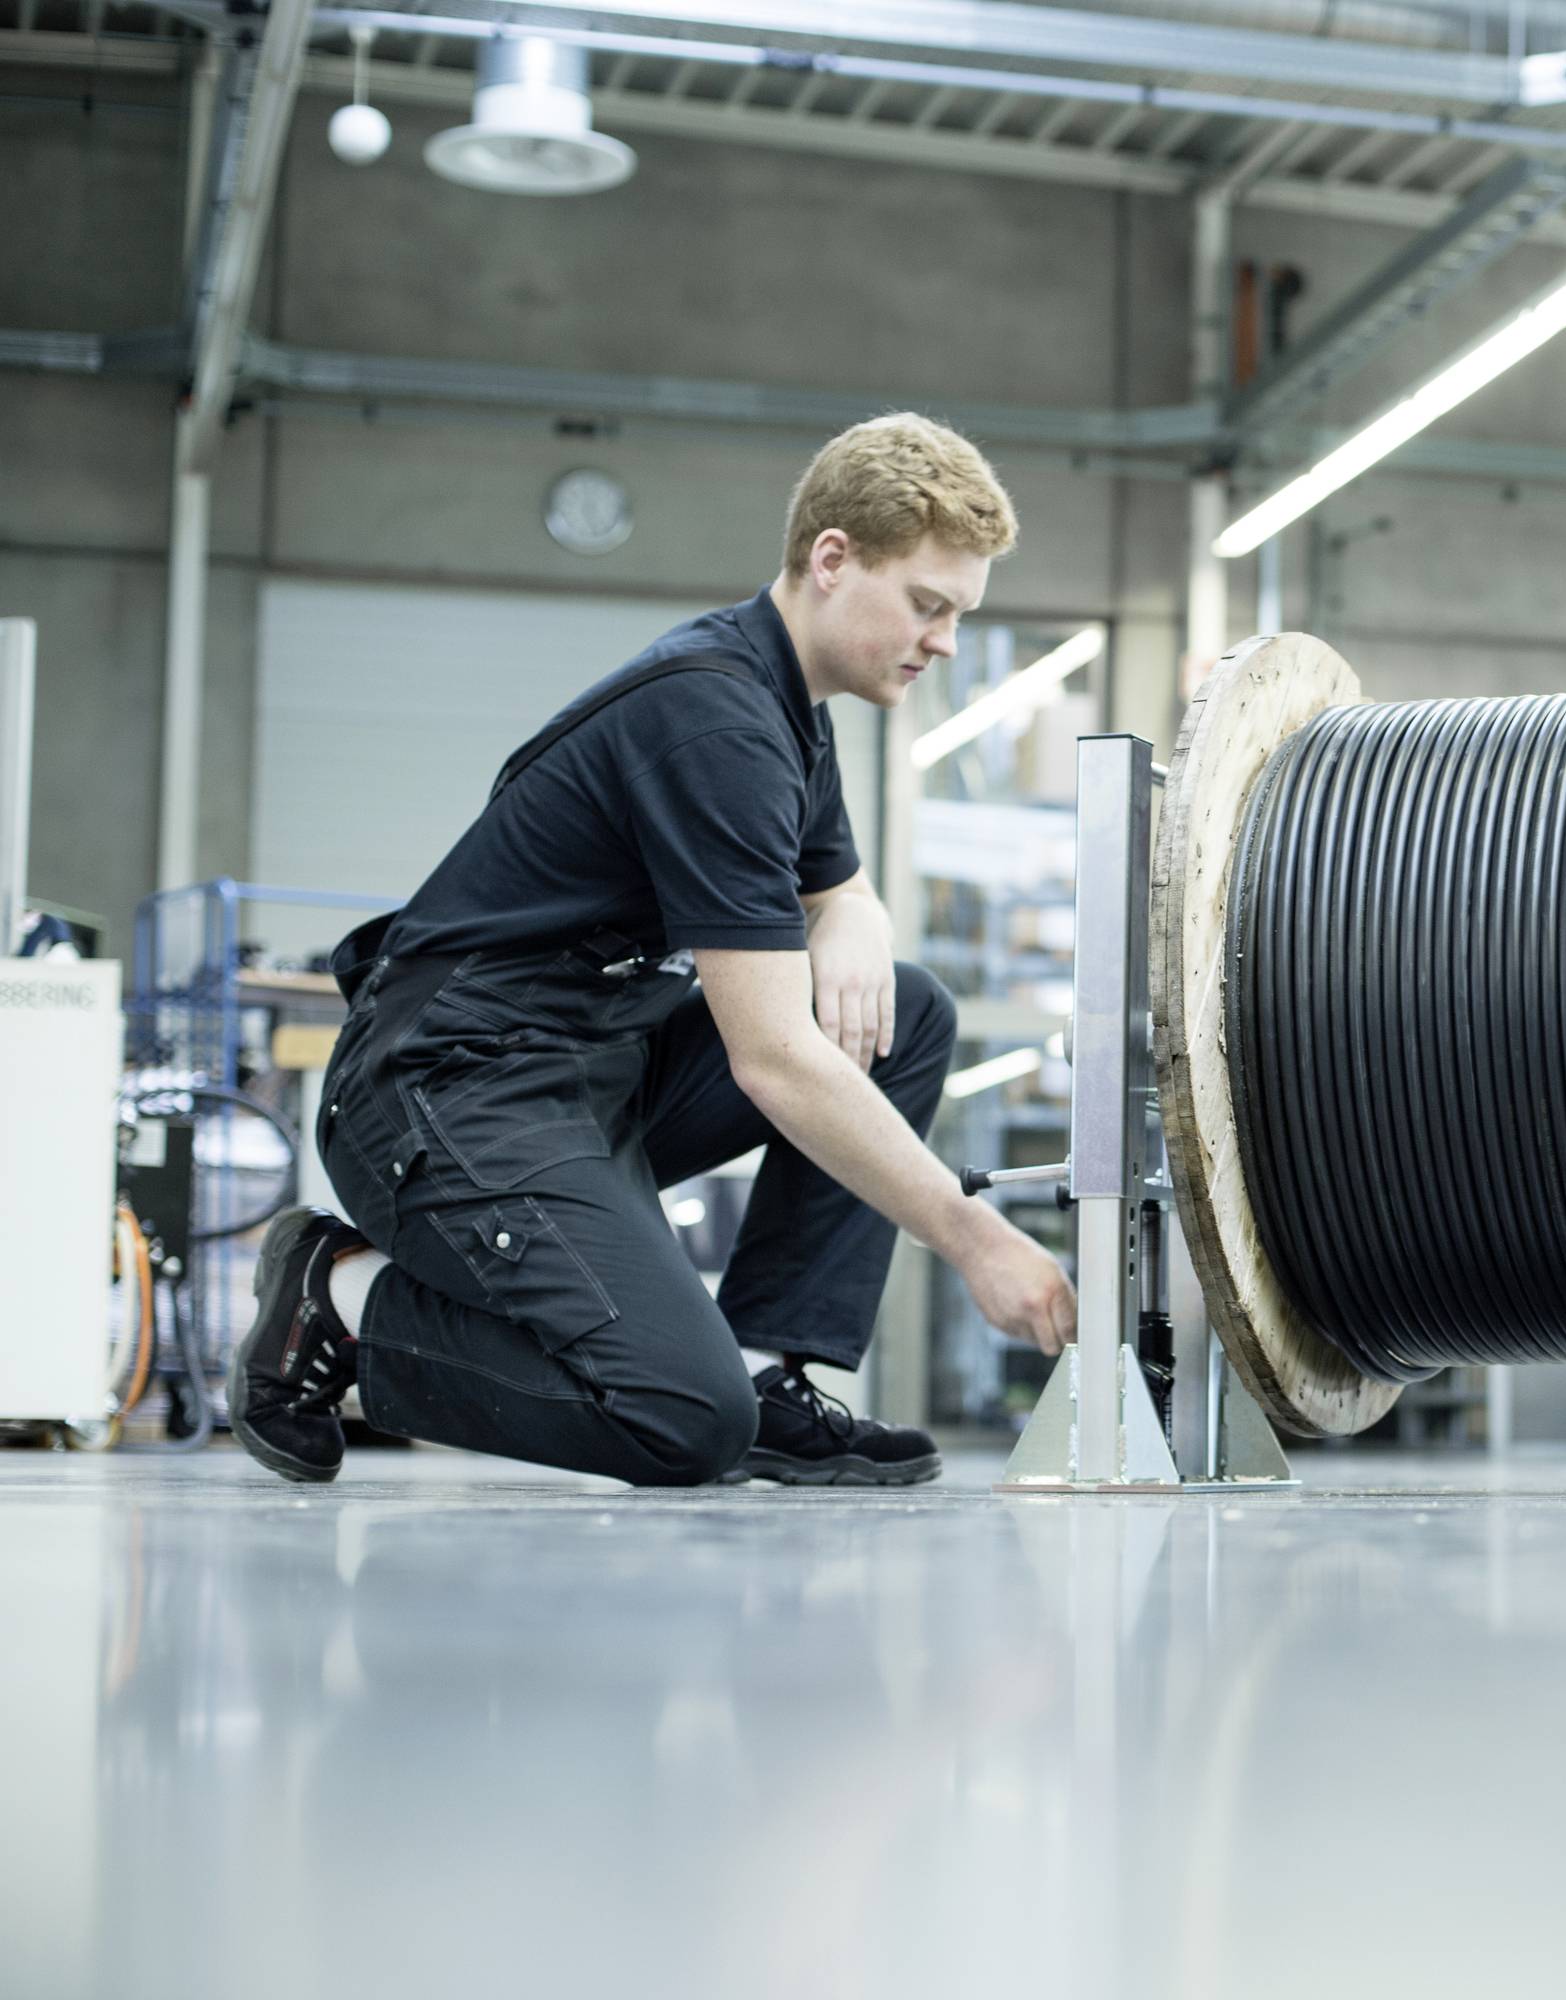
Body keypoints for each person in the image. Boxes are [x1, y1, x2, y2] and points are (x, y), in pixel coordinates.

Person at [228, 413, 1077, 1489]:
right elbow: (772, 1057)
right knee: (677, 1415)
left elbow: (839, 881)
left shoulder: (787, 708)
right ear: (831, 560)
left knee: (903, 1011)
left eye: (959, 612)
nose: (945, 638)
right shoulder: (712, 720)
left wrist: (856, 915)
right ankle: (340, 1294)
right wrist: (971, 1235)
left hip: (586, 1072)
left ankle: (771, 1372)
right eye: (929, 603)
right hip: (446, 1087)